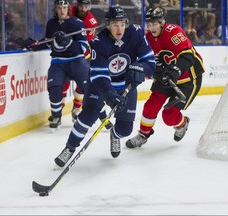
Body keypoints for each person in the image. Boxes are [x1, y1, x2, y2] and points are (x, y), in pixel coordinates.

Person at [54, 6, 156, 167]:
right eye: (115, 24)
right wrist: (109, 94)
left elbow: (150, 61)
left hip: (126, 85)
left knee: (125, 130)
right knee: (87, 116)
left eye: (122, 24)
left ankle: (114, 134)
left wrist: (141, 69)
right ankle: (69, 148)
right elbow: (99, 75)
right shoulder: (98, 42)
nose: (119, 29)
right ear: (108, 25)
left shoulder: (136, 33)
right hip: (101, 86)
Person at [125, 7, 205, 148]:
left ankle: (182, 123)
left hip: (188, 78)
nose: (151, 27)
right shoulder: (147, 38)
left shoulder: (173, 31)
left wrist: (175, 70)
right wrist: (147, 71)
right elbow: (145, 61)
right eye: (149, 24)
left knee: (169, 116)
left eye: (154, 23)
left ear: (162, 22)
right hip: (165, 77)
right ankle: (144, 134)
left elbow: (188, 56)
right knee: (150, 106)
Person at [24, 0, 90, 129]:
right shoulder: (51, 23)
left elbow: (83, 47)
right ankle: (56, 115)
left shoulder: (77, 23)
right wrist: (34, 45)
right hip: (58, 62)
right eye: (59, 7)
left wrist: (69, 42)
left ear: (68, 9)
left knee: (88, 86)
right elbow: (49, 42)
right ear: (55, 8)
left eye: (64, 7)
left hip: (76, 60)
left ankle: (97, 114)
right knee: (54, 87)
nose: (62, 10)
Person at [62, 0, 112, 129]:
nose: (83, 9)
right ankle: (60, 107)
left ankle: (78, 108)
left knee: (89, 85)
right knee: (63, 82)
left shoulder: (91, 22)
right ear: (77, 6)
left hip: (82, 56)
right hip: (66, 55)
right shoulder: (70, 10)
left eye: (86, 6)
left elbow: (83, 44)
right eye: (81, 6)